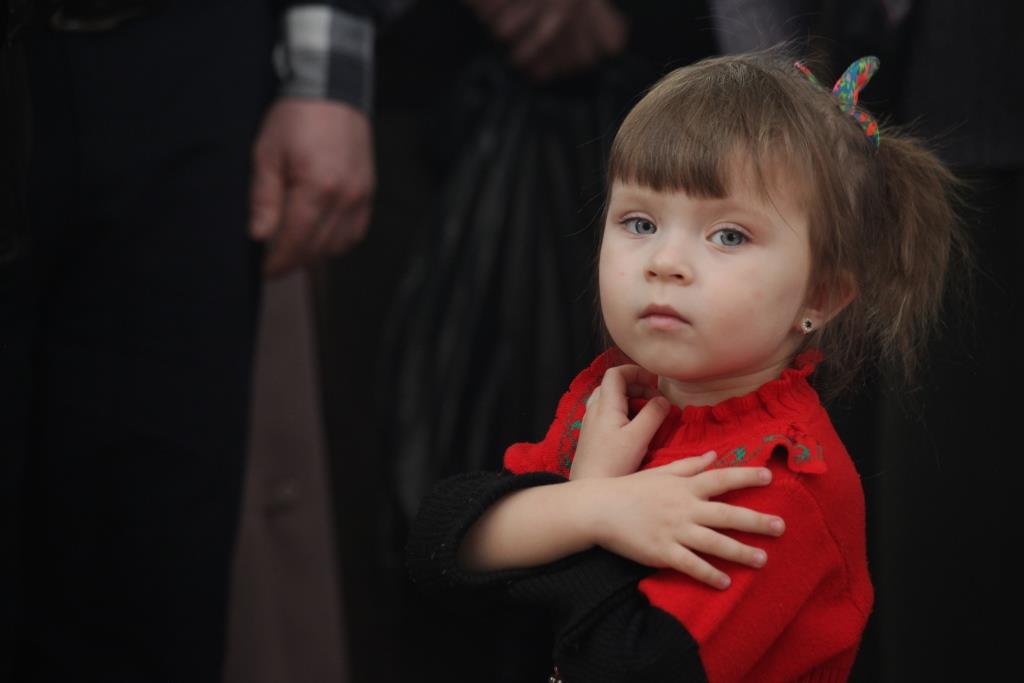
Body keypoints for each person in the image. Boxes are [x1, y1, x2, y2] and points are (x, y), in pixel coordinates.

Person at [406, 50, 966, 682]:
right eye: (640, 222)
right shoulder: (618, 400)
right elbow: (440, 545)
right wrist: (593, 504)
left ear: (820, 297)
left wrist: (571, 520)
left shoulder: (777, 480)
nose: (664, 262)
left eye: (728, 235)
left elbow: (626, 665)